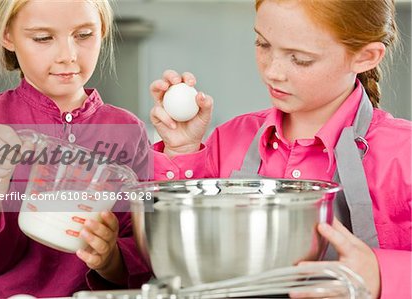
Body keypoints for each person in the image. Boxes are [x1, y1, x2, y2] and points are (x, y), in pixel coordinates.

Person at [149, 0, 411, 298]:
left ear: (366, 56)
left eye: (300, 59)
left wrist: (381, 274)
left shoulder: (404, 154)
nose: (273, 72)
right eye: (262, 44)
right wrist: (182, 150)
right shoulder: (229, 139)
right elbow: (176, 253)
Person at [0, 0, 152, 297]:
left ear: (102, 30)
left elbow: (141, 263)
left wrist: (110, 257)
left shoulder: (126, 131)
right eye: (43, 38)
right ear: (7, 36)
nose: (68, 56)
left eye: (84, 34)